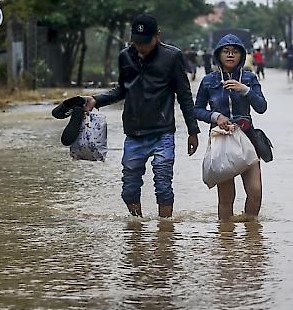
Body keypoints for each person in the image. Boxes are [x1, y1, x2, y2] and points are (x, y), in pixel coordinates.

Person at [82, 14, 200, 218]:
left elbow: (184, 96)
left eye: (145, 43)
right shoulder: (125, 57)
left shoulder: (172, 57)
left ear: (158, 36)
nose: (141, 47)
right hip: (134, 134)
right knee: (129, 189)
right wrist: (96, 100)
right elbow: (121, 91)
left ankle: (165, 232)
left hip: (162, 132)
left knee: (163, 185)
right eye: (136, 43)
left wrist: (193, 130)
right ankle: (137, 228)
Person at [194, 34, 268, 222]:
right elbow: (197, 110)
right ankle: (226, 239)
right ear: (218, 55)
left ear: (241, 55)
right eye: (225, 52)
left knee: (255, 191)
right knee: (226, 197)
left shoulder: (250, 78)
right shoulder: (208, 81)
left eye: (234, 52)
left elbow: (262, 107)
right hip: (222, 140)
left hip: (247, 138)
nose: (230, 55)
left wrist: (245, 90)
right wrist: (215, 116)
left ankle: (252, 235)